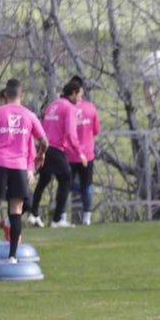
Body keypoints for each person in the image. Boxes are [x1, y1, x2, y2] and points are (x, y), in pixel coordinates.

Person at [0, 79, 47, 266]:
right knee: (16, 209)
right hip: (19, 166)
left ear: (5, 95)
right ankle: (12, 256)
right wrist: (40, 154)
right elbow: (44, 141)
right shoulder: (30, 115)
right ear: (21, 94)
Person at [29, 78, 86, 228]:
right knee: (66, 180)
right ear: (73, 94)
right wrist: (80, 153)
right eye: (80, 95)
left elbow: (43, 127)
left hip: (45, 147)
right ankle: (57, 219)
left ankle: (33, 213)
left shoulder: (53, 105)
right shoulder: (69, 108)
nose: (81, 99)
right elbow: (70, 133)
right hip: (56, 149)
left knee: (43, 181)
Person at [67, 76, 101, 225]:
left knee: (66, 185)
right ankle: (87, 217)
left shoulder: (66, 108)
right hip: (87, 154)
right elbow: (96, 130)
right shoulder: (91, 108)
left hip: (70, 154)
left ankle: (62, 216)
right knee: (86, 186)